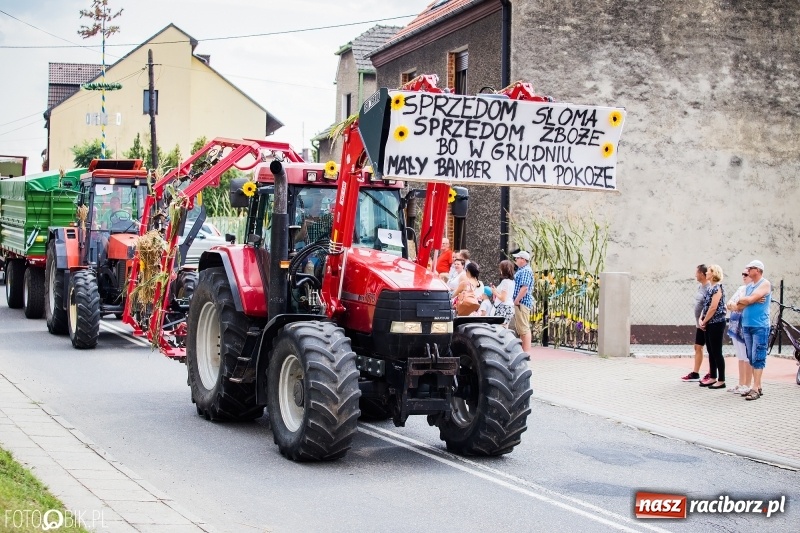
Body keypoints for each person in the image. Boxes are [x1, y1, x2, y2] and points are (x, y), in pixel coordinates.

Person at [736, 259, 771, 401]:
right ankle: (758, 386)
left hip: (760, 326)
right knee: (751, 356)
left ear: (757, 270)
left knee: (758, 356)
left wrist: (750, 299)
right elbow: (738, 305)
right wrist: (750, 299)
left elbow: (747, 301)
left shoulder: (765, 284)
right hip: (747, 325)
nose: (747, 271)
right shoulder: (750, 286)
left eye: (750, 269)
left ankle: (755, 388)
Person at [698, 265, 727, 389]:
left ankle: (721, 380)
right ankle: (712, 377)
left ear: (714, 273)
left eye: (709, 271)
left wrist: (704, 320)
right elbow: (706, 306)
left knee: (717, 352)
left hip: (716, 323)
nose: (707, 273)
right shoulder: (710, 288)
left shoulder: (718, 288)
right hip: (709, 323)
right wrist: (701, 318)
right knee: (710, 351)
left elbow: (713, 307)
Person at [682, 264, 711, 382]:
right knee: (698, 347)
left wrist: (705, 320)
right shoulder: (700, 287)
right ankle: (695, 373)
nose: (695, 275)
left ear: (703, 274)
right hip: (699, 324)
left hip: (707, 324)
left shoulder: (710, 288)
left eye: (697, 272)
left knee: (711, 349)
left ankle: (712, 372)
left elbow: (710, 306)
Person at [726, 270, 753, 395]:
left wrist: (736, 305)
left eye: (746, 274)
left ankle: (747, 384)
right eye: (742, 274)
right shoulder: (741, 288)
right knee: (740, 355)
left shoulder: (752, 290)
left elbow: (741, 305)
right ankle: (741, 382)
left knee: (746, 355)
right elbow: (730, 303)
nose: (743, 276)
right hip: (735, 325)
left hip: (744, 325)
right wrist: (735, 305)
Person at [511, 251, 534, 353]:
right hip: (521, 302)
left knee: (524, 329)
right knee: (522, 329)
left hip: (522, 303)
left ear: (523, 260)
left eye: (518, 258)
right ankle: (524, 352)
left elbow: (524, 288)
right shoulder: (523, 270)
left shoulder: (525, 271)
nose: (516, 260)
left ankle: (526, 352)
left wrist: (517, 300)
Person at [491, 259, 516, 328]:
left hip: (503, 307)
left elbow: (503, 298)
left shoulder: (505, 282)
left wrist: (494, 292)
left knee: (499, 328)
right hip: (509, 307)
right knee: (504, 328)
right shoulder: (512, 281)